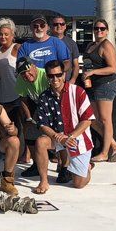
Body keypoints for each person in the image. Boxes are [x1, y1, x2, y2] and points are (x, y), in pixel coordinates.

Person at [33, 59, 96, 194]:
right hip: (57, 138)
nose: (55, 79)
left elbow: (87, 120)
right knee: (40, 142)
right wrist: (58, 137)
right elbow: (42, 124)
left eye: (58, 75)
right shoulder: (44, 97)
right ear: (46, 77)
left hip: (77, 137)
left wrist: (70, 136)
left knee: (78, 184)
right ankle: (43, 180)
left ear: (64, 74)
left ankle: (87, 167)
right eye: (51, 76)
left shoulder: (78, 91)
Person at [81, 18, 116, 162]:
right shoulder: (91, 45)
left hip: (106, 85)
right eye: (96, 28)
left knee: (106, 120)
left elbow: (113, 68)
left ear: (106, 31)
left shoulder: (107, 45)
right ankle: (114, 145)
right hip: (92, 85)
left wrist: (93, 72)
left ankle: (105, 152)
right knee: (92, 119)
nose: (99, 31)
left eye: (102, 29)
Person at [14, 56, 49, 175]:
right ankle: (36, 164)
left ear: (34, 67)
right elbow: (23, 99)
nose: (27, 76)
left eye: (28, 72)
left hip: (54, 106)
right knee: (29, 134)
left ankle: (63, 166)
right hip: (37, 106)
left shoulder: (45, 75)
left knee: (57, 136)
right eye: (23, 74)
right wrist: (29, 118)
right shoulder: (21, 79)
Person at [50, 15, 80, 84]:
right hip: (49, 80)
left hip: (66, 81)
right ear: (51, 27)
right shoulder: (46, 42)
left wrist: (73, 80)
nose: (59, 26)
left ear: (65, 26)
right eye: (55, 24)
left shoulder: (71, 43)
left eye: (62, 24)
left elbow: (76, 65)